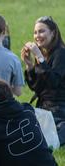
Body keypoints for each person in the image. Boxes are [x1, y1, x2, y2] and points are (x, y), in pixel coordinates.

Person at [21, 16, 65, 146]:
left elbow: (53, 82)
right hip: (44, 107)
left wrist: (39, 58)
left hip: (59, 108)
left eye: (41, 31)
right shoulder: (44, 54)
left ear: (53, 33)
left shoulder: (61, 54)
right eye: (35, 32)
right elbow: (37, 88)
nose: (37, 35)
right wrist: (29, 66)